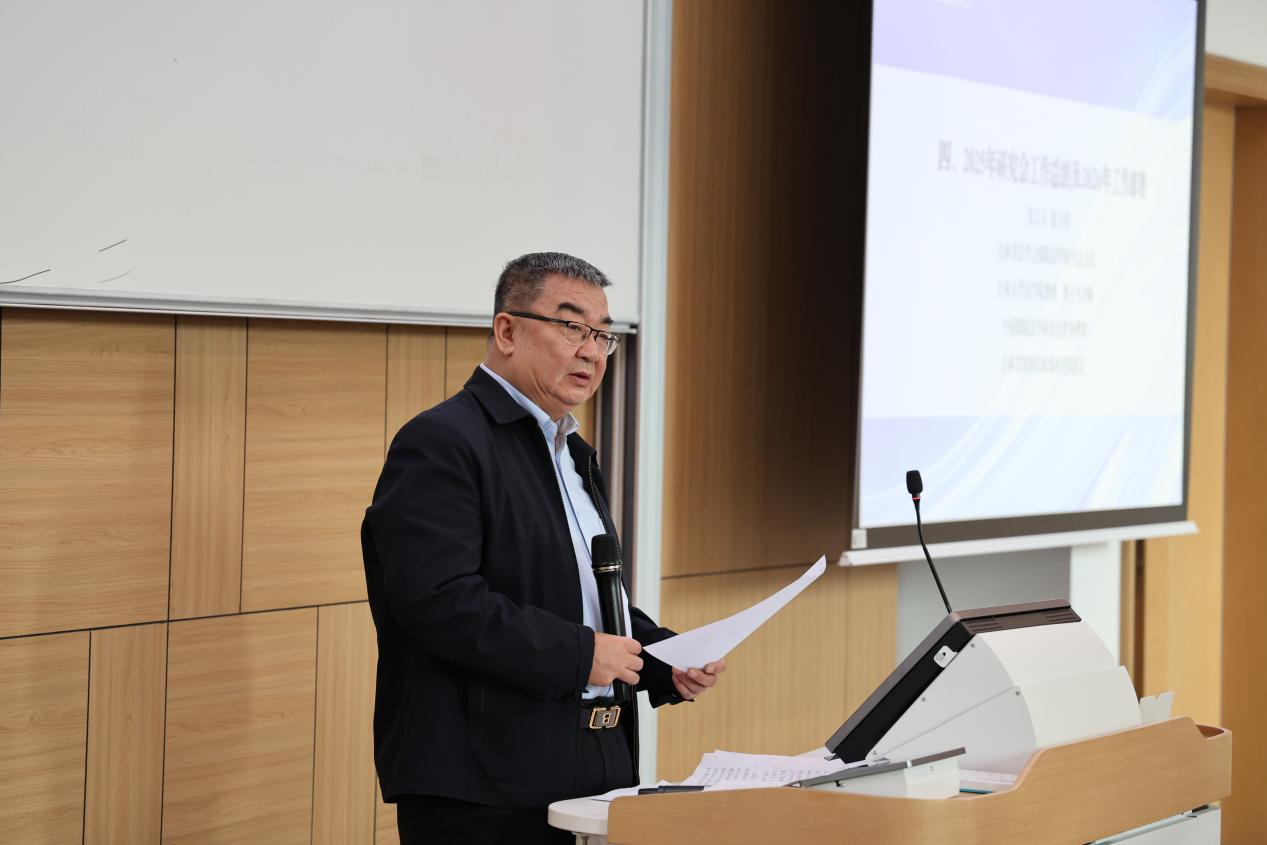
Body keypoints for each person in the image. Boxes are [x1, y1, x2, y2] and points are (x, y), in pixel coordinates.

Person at [361, 252, 725, 844]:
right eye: (572, 327)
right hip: (482, 785)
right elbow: (438, 603)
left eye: (603, 335)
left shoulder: (570, 452)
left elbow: (582, 598)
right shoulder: (442, 441)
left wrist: (664, 658)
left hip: (589, 763)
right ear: (507, 331)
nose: (592, 352)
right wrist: (580, 655)